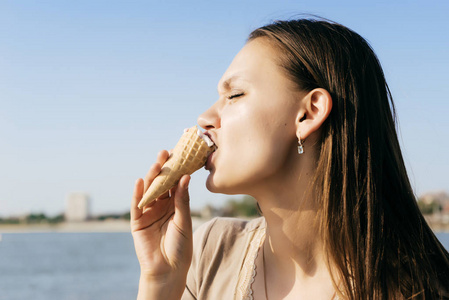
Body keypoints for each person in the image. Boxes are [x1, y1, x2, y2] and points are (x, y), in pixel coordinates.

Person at [130, 18, 449, 299]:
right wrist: (159, 283)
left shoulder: (420, 289)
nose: (204, 117)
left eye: (235, 95)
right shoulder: (211, 251)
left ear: (309, 113)